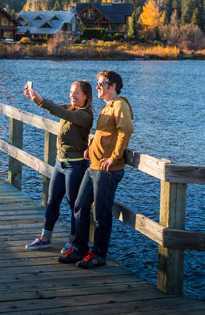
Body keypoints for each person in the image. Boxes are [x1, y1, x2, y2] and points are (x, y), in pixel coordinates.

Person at [58, 69, 133, 269]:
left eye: (101, 83)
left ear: (112, 85)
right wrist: (90, 149)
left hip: (107, 170)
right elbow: (102, 134)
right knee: (80, 206)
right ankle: (79, 249)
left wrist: (115, 156)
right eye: (97, 83)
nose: (97, 87)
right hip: (94, 166)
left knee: (102, 213)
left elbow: (126, 131)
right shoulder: (106, 107)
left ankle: (98, 254)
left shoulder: (120, 105)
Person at [23, 80, 94, 253]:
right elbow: (54, 106)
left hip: (76, 166)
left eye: (76, 92)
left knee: (73, 205)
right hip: (59, 163)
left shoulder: (85, 115)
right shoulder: (70, 108)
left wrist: (40, 101)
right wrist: (35, 98)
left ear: (86, 96)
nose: (72, 95)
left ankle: (74, 241)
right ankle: (45, 238)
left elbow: (57, 111)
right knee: (52, 201)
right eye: (71, 91)